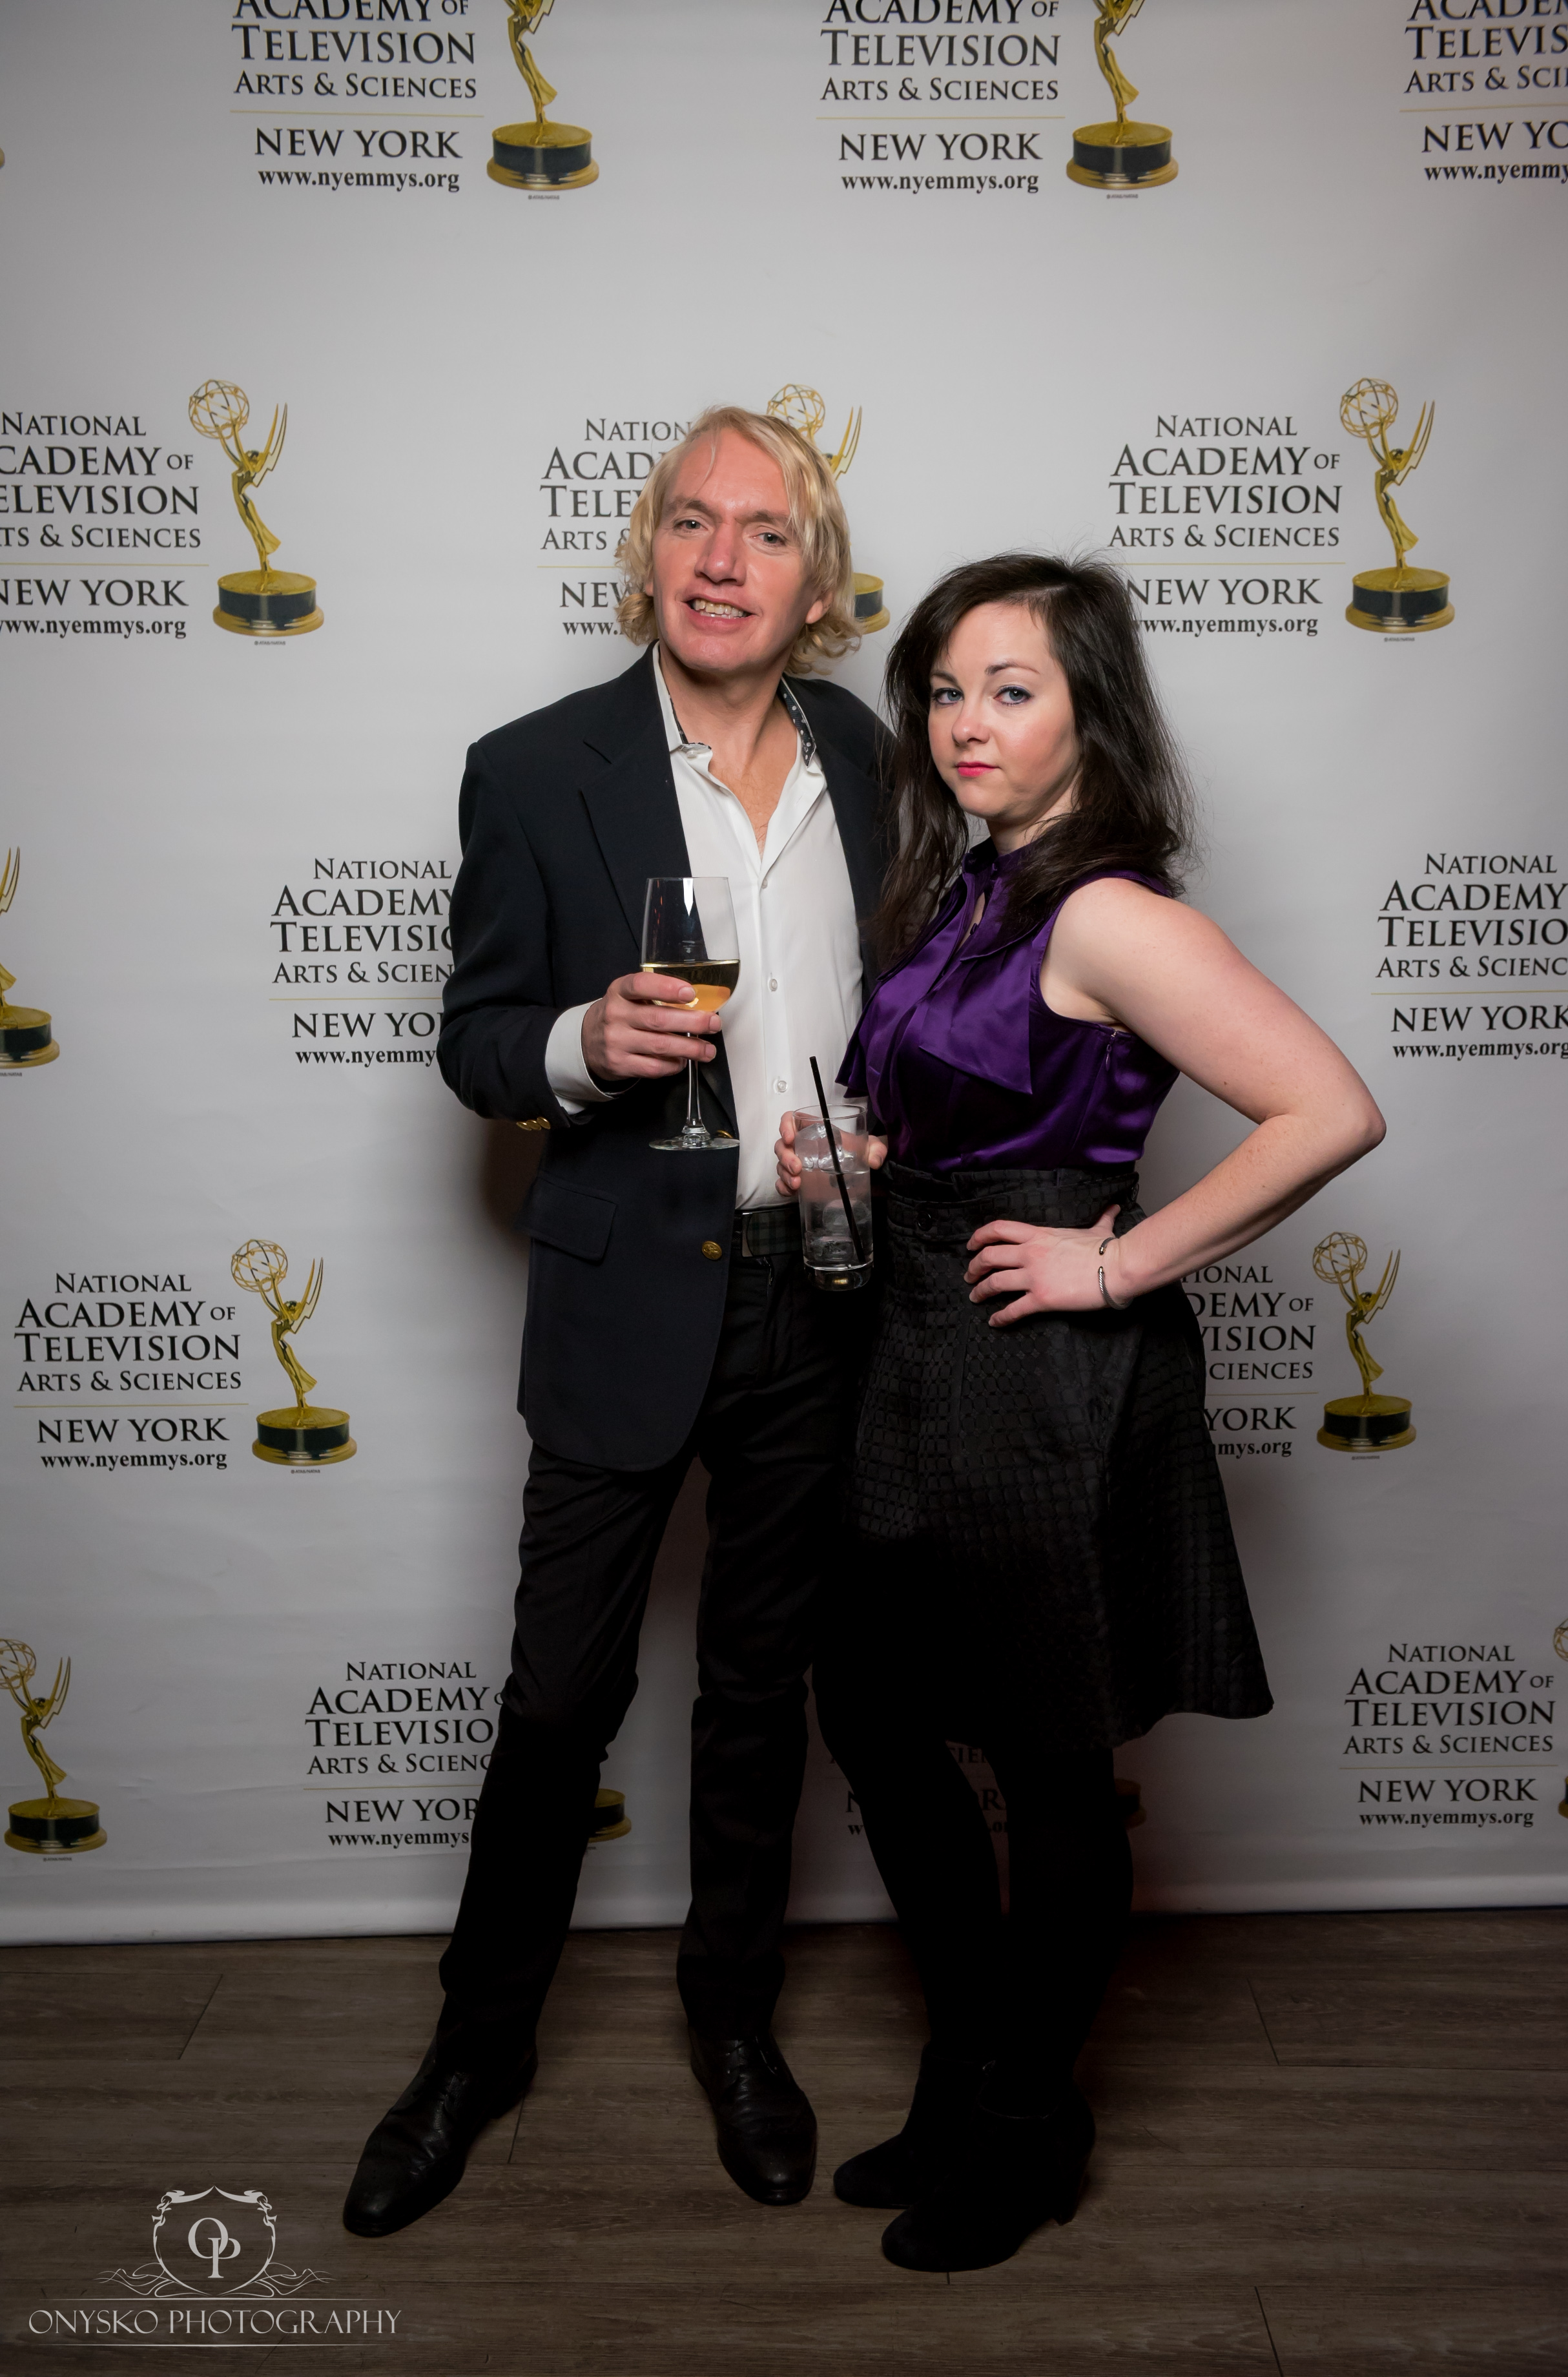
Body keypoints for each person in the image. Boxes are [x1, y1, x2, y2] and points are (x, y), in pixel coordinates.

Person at [774, 552, 1385, 2274]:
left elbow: (1328, 1110)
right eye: (943, 690)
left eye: (1011, 689)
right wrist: (865, 1161)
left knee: (1047, 1759)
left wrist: (1114, 1267)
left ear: (1088, 712)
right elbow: (966, 1103)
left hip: (1036, 1373)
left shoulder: (1109, 911)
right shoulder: (970, 886)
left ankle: (1032, 2121)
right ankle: (972, 2064)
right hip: (909, 1337)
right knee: (877, 1713)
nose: (964, 723)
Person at [342, 408, 887, 2237]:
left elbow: (907, 1009)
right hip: (624, 1290)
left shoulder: (872, 757)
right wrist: (586, 1041)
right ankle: (474, 2051)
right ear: (648, 550)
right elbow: (476, 1040)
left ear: (817, 581)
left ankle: (733, 2022)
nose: (724, 560)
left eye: (767, 531)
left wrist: (884, 1135)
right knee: (560, 1697)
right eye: (692, 522)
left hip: (821, 1290)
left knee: (759, 1694)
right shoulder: (530, 769)